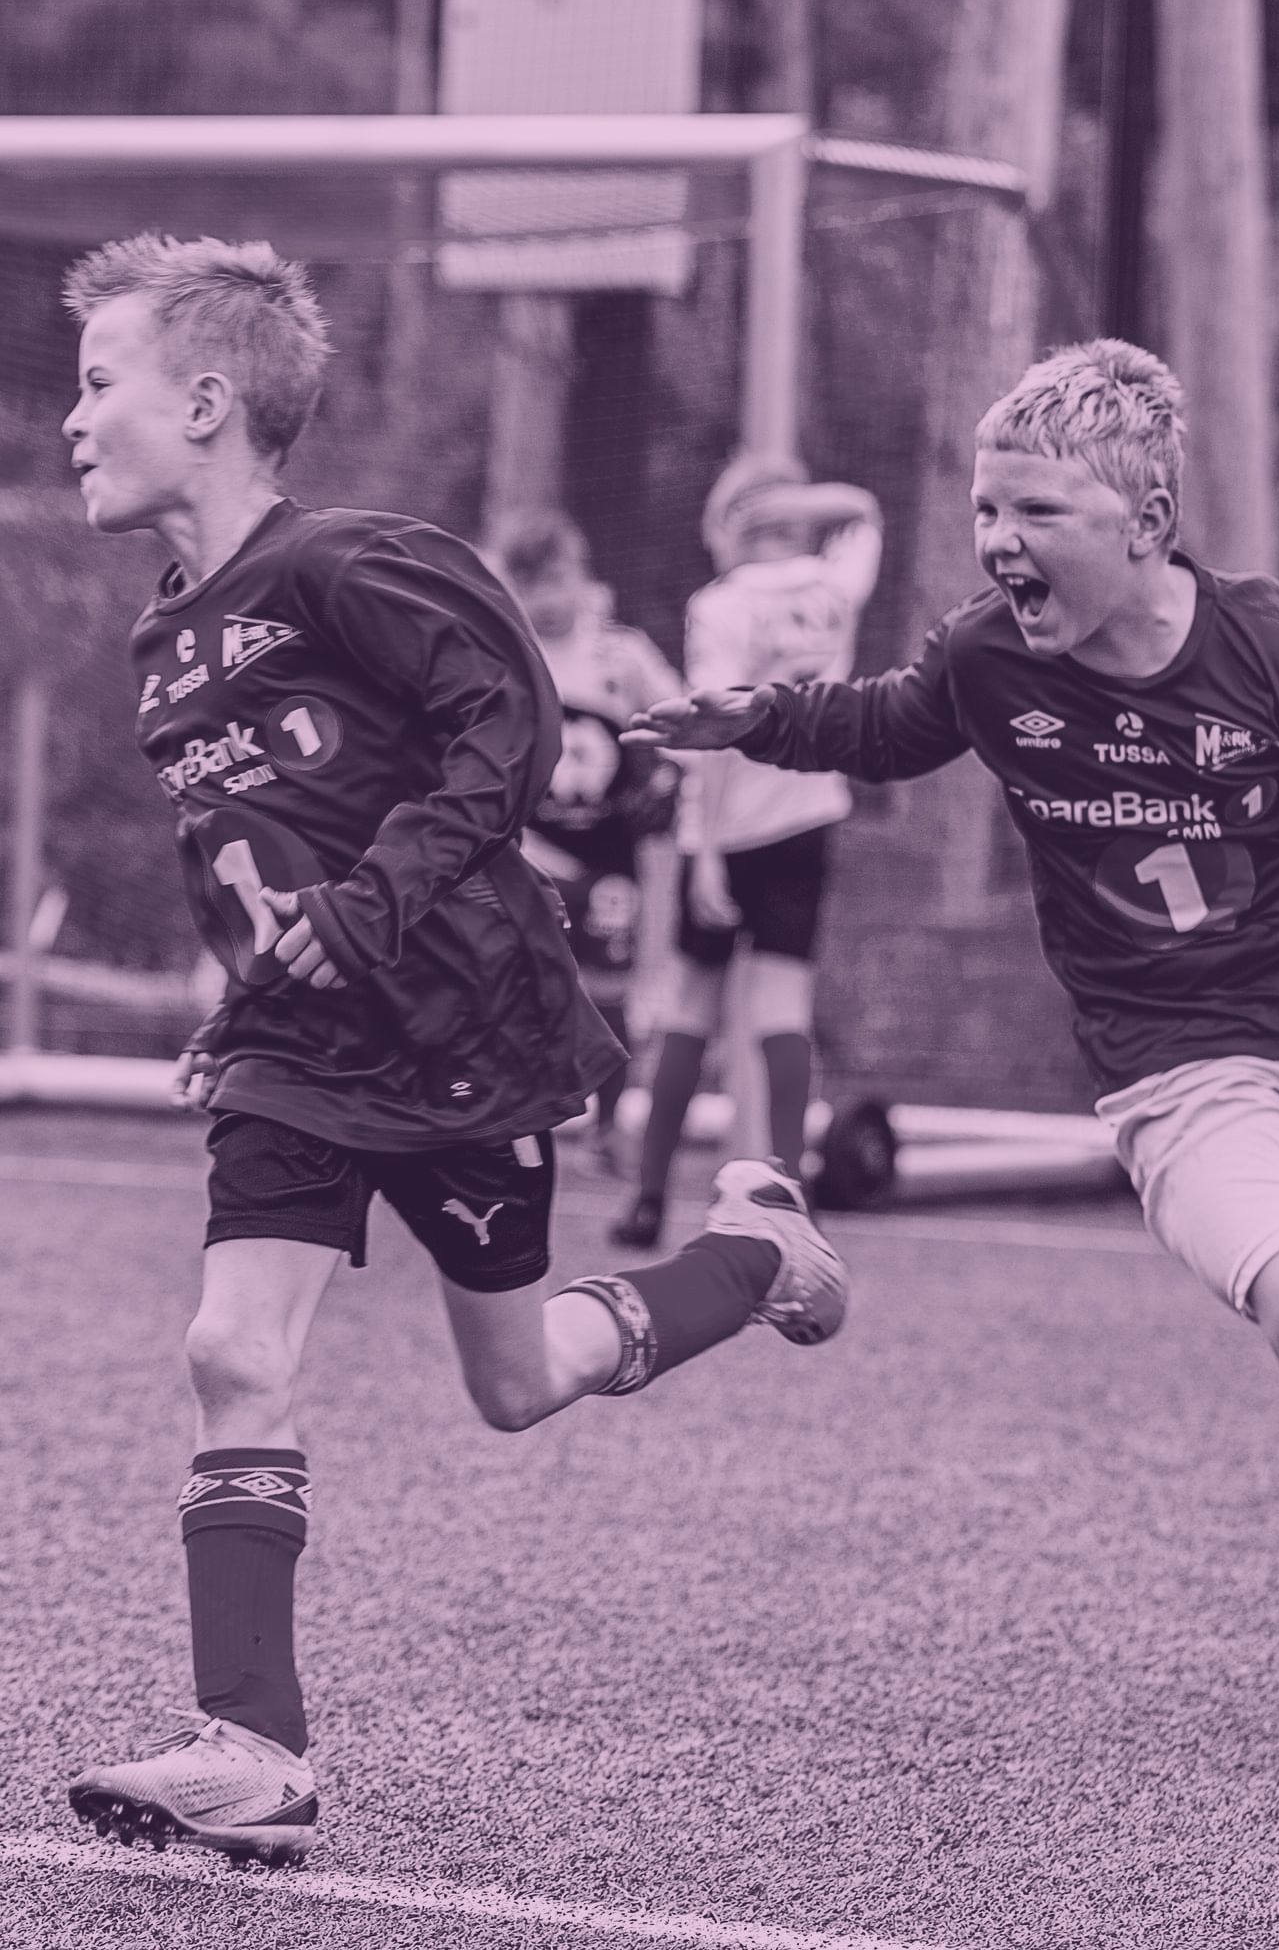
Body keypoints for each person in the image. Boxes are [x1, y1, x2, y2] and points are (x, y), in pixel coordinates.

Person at [624, 337, 1279, 1767]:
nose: (997, 540)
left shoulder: (1276, 650)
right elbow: (891, 723)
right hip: (1170, 1063)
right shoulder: (988, 656)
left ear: (1146, 523)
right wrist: (763, 722)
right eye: (985, 509)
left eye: (1035, 511)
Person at [57, 234, 848, 1867]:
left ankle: (751, 1255)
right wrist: (240, 1000)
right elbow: (250, 858)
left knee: (513, 1383)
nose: (70, 419)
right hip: (297, 1056)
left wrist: (376, 903)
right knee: (230, 1349)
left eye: (95, 382)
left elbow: (512, 725)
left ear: (204, 404)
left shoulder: (349, 564)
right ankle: (254, 1751)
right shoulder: (162, 644)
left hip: (462, 1032)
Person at [610, 456, 882, 1248]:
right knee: (782, 1012)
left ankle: (648, 1198)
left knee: (690, 1009)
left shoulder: (722, 604)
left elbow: (717, 724)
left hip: (730, 831)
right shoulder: (834, 587)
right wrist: (799, 502)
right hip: (808, 820)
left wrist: (707, 852)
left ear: (732, 525)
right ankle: (791, 1198)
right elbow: (863, 505)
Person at [492, 506, 683, 1175]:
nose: (544, 600)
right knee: (516, 986)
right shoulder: (505, 653)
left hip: (607, 855)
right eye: (528, 585)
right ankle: (510, 1123)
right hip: (528, 850)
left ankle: (607, 1126)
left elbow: (678, 718)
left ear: (579, 574)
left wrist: (666, 774)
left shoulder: (620, 656)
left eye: (554, 581)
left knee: (608, 992)